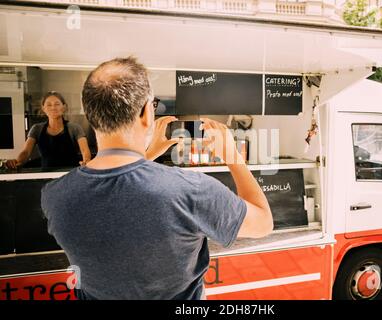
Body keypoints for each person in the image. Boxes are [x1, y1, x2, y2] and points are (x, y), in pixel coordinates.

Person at [40, 57, 273, 300]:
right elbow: (263, 223)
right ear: (146, 114)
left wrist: (147, 154)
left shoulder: (55, 195)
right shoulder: (190, 190)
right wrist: (233, 157)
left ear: (89, 113)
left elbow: (119, 190)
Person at [6, 91, 91, 170]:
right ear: (43, 108)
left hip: (71, 175)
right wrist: (17, 162)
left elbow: (85, 151)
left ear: (64, 107)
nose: (53, 107)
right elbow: (26, 152)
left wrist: (86, 162)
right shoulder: (36, 129)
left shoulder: (74, 128)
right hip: (45, 176)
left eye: (57, 104)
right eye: (49, 105)